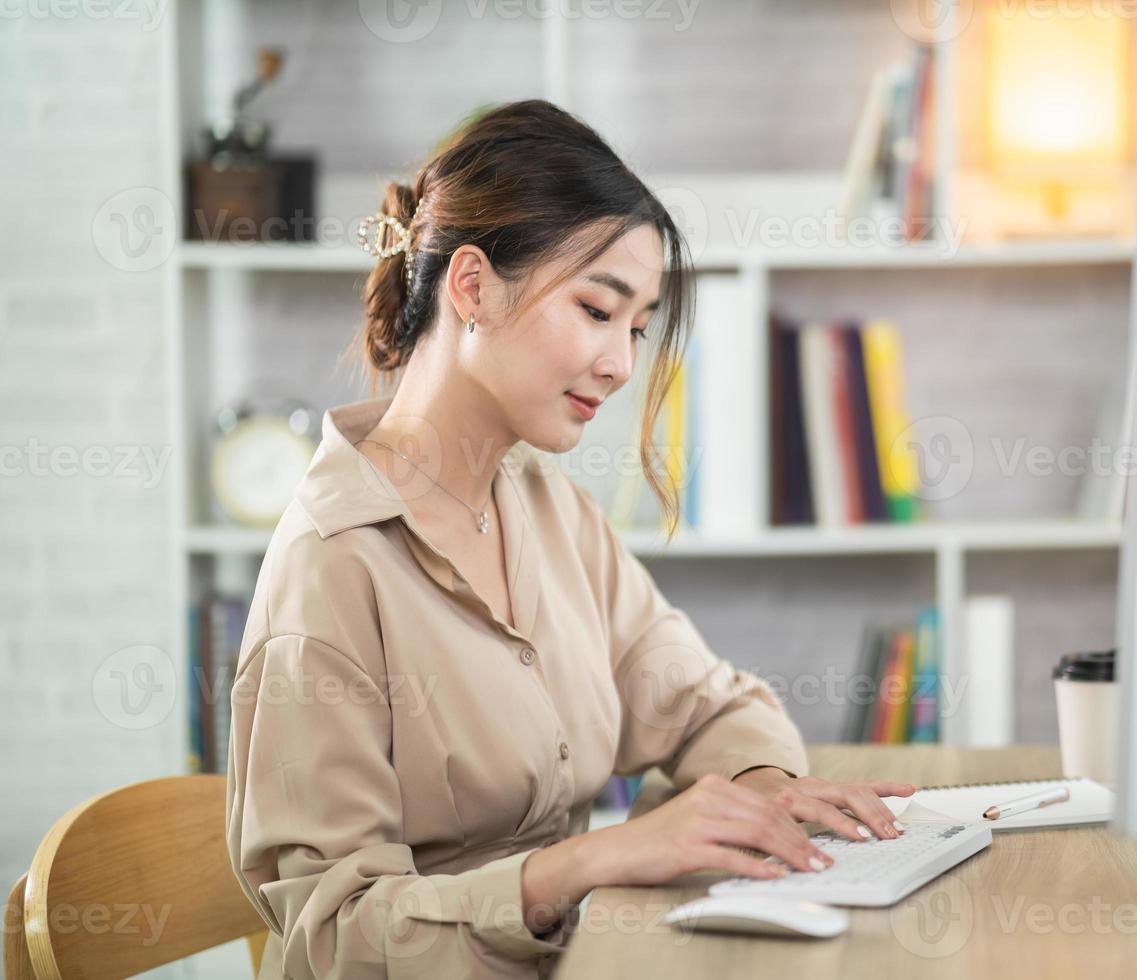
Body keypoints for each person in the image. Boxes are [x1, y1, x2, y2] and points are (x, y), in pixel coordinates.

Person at [224, 99, 915, 980]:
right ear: (472, 287)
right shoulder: (331, 566)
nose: (623, 365)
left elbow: (708, 704)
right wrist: (594, 861)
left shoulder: (546, 508)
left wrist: (759, 796)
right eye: (598, 310)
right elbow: (334, 938)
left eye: (637, 327)